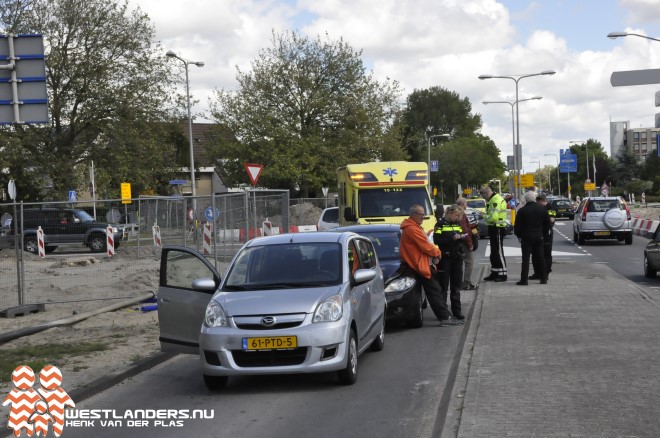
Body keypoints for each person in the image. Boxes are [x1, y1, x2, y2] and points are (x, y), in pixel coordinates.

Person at [400, 204, 453, 325]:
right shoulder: (412, 229)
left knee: (434, 291)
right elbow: (426, 246)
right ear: (413, 215)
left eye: (424, 214)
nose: (423, 217)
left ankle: (445, 316)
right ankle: (445, 318)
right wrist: (438, 253)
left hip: (418, 264)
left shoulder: (412, 227)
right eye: (421, 214)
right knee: (434, 291)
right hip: (420, 265)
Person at [433, 205, 468, 321]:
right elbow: (437, 240)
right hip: (445, 259)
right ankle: (444, 313)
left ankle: (457, 311)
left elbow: (460, 238)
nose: (457, 218)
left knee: (456, 286)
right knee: (443, 287)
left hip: (456, 258)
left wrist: (462, 238)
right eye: (456, 215)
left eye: (459, 216)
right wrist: (452, 239)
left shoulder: (457, 225)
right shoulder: (440, 224)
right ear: (449, 213)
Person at [513, 191, 550, 285]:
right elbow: (547, 225)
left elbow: (517, 226)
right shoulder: (542, 210)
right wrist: (544, 236)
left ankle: (524, 280)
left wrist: (519, 235)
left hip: (526, 237)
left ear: (525, 199)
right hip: (539, 236)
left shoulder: (522, 211)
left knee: (525, 259)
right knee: (541, 257)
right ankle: (544, 278)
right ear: (534, 198)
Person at [479, 186, 508, 282]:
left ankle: (503, 274)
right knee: (494, 252)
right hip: (494, 228)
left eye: (484, 196)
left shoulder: (495, 201)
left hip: (497, 228)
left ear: (486, 193)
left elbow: (494, 217)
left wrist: (483, 216)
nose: (484, 198)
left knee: (498, 251)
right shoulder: (493, 199)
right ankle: (495, 272)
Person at [530, 194, 556, 279]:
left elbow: (552, 219)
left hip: (547, 234)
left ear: (542, 201)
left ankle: (546, 272)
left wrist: (541, 216)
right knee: (536, 254)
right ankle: (538, 272)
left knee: (546, 254)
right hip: (539, 233)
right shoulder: (541, 208)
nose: (537, 204)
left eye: (538, 203)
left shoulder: (550, 207)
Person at [455, 198, 477, 290]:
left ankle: (458, 282)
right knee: (469, 262)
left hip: (457, 241)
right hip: (464, 242)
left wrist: (472, 226)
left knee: (458, 263)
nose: (466, 206)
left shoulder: (453, 212)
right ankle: (466, 283)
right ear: (462, 204)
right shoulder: (461, 214)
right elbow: (465, 230)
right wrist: (470, 244)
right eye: (465, 204)